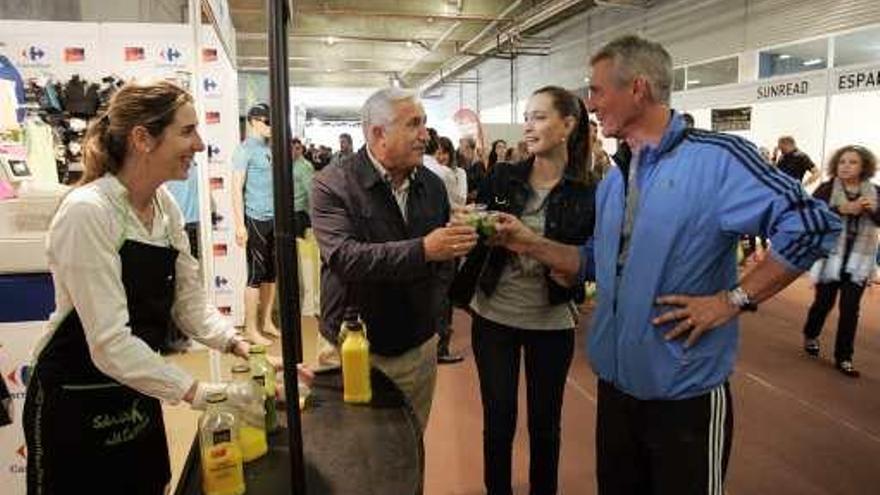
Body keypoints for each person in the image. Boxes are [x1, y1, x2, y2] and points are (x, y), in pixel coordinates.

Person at [488, 35, 840, 495]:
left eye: (596, 90)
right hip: (616, 390)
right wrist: (528, 242)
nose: (590, 104)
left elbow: (814, 224)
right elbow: (596, 262)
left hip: (685, 393)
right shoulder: (615, 181)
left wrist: (732, 299)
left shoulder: (718, 159)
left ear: (637, 89)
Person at [22, 81, 255, 494]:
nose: (200, 145)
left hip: (137, 384)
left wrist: (237, 345)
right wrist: (198, 392)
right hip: (74, 397)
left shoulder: (164, 208)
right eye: (187, 131)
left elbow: (188, 303)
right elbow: (109, 343)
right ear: (143, 138)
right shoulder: (88, 213)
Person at [451, 86, 595, 495]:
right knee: (498, 419)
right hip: (494, 314)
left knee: (546, 424)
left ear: (568, 124)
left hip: (551, 320)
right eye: (527, 117)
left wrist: (559, 261)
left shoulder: (589, 190)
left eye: (539, 117)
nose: (528, 126)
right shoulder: (504, 176)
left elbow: (590, 255)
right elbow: (480, 230)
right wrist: (476, 225)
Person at [310, 87, 478, 429]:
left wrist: (433, 303)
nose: (425, 135)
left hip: (418, 348)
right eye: (414, 124)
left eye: (425, 124)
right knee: (354, 452)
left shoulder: (431, 185)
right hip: (353, 348)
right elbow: (345, 258)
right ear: (378, 133)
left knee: (412, 451)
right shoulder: (333, 184)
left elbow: (443, 262)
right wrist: (424, 250)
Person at [803, 145, 879, 377]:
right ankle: (811, 334)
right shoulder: (826, 189)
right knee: (823, 303)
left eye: (852, 162)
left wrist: (872, 211)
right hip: (830, 258)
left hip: (859, 262)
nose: (845, 166)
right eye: (842, 161)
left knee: (850, 308)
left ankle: (844, 357)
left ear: (864, 166)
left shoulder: (875, 191)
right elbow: (812, 214)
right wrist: (842, 208)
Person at [232, 103, 278, 346]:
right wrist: (240, 225)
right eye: (266, 121)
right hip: (255, 218)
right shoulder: (244, 150)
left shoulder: (268, 148)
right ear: (253, 121)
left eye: (271, 122)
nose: (270, 126)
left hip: (273, 218)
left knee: (271, 274)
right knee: (256, 275)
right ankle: (250, 328)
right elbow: (235, 189)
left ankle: (267, 321)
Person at [433, 135, 468, 364]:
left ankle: (442, 344)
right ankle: (439, 345)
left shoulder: (458, 173)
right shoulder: (439, 172)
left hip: (452, 235)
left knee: (446, 292)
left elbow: (460, 201)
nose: (440, 156)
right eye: (437, 151)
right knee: (440, 293)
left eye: (444, 151)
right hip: (439, 235)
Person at [291, 137, 314, 238]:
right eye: (292, 148)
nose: (295, 151)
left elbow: (310, 190)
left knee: (300, 244)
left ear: (301, 150)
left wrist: (313, 213)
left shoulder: (304, 166)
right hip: (290, 210)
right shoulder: (289, 164)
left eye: (298, 148)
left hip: (300, 212)